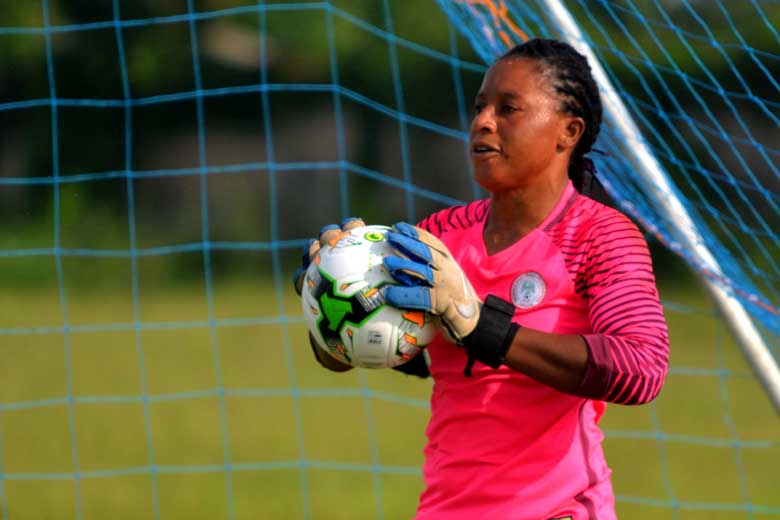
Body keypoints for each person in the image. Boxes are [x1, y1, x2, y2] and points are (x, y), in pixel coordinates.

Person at [294, 38, 669, 520]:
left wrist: (482, 328)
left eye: (508, 108)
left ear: (568, 131)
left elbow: (641, 368)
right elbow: (377, 352)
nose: (483, 122)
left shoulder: (600, 236)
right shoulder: (437, 236)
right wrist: (331, 297)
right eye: (479, 107)